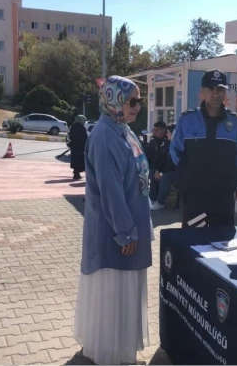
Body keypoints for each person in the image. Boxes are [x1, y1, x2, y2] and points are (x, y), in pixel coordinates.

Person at [73, 76, 153, 365]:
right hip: (115, 233)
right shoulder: (106, 135)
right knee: (114, 293)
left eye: (139, 101)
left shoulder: (122, 129)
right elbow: (110, 191)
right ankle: (110, 352)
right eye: (132, 100)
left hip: (128, 227)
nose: (137, 106)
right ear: (114, 99)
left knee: (124, 293)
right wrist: (126, 233)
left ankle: (118, 349)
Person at [170, 69, 237, 228]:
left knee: (222, 244)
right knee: (193, 243)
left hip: (223, 197)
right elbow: (175, 152)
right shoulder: (187, 120)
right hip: (195, 197)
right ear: (201, 92)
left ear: (225, 93)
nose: (215, 94)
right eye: (210, 89)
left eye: (220, 89)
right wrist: (193, 173)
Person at [150, 123, 177, 210]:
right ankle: (152, 199)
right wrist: (158, 170)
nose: (166, 134)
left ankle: (160, 202)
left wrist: (162, 172)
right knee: (152, 172)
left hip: (178, 172)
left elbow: (173, 164)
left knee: (165, 177)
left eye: (168, 132)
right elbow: (161, 159)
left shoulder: (178, 146)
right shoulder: (167, 144)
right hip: (168, 170)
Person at [144, 121, 167, 203]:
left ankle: (153, 199)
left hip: (163, 169)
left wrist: (159, 170)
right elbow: (148, 155)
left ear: (163, 130)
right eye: (154, 130)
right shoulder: (154, 142)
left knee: (152, 174)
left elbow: (164, 159)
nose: (154, 131)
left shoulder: (166, 142)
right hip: (153, 167)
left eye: (156, 130)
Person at [68, 115, 88, 180]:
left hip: (74, 146)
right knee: (80, 160)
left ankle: (76, 172)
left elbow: (70, 136)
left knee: (75, 159)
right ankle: (77, 173)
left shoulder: (73, 126)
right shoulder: (81, 128)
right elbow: (85, 137)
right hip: (80, 146)